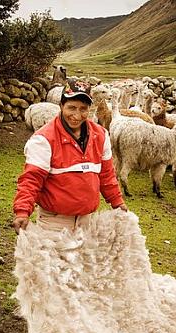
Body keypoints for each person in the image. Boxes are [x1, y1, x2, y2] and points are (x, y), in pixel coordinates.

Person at [12, 86, 128, 233]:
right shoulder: (44, 139)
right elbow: (32, 179)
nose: (77, 115)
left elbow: (106, 175)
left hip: (87, 221)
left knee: (85, 256)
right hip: (54, 222)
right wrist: (22, 211)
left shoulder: (101, 135)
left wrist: (117, 202)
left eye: (83, 109)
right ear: (61, 106)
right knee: (53, 256)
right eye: (71, 108)